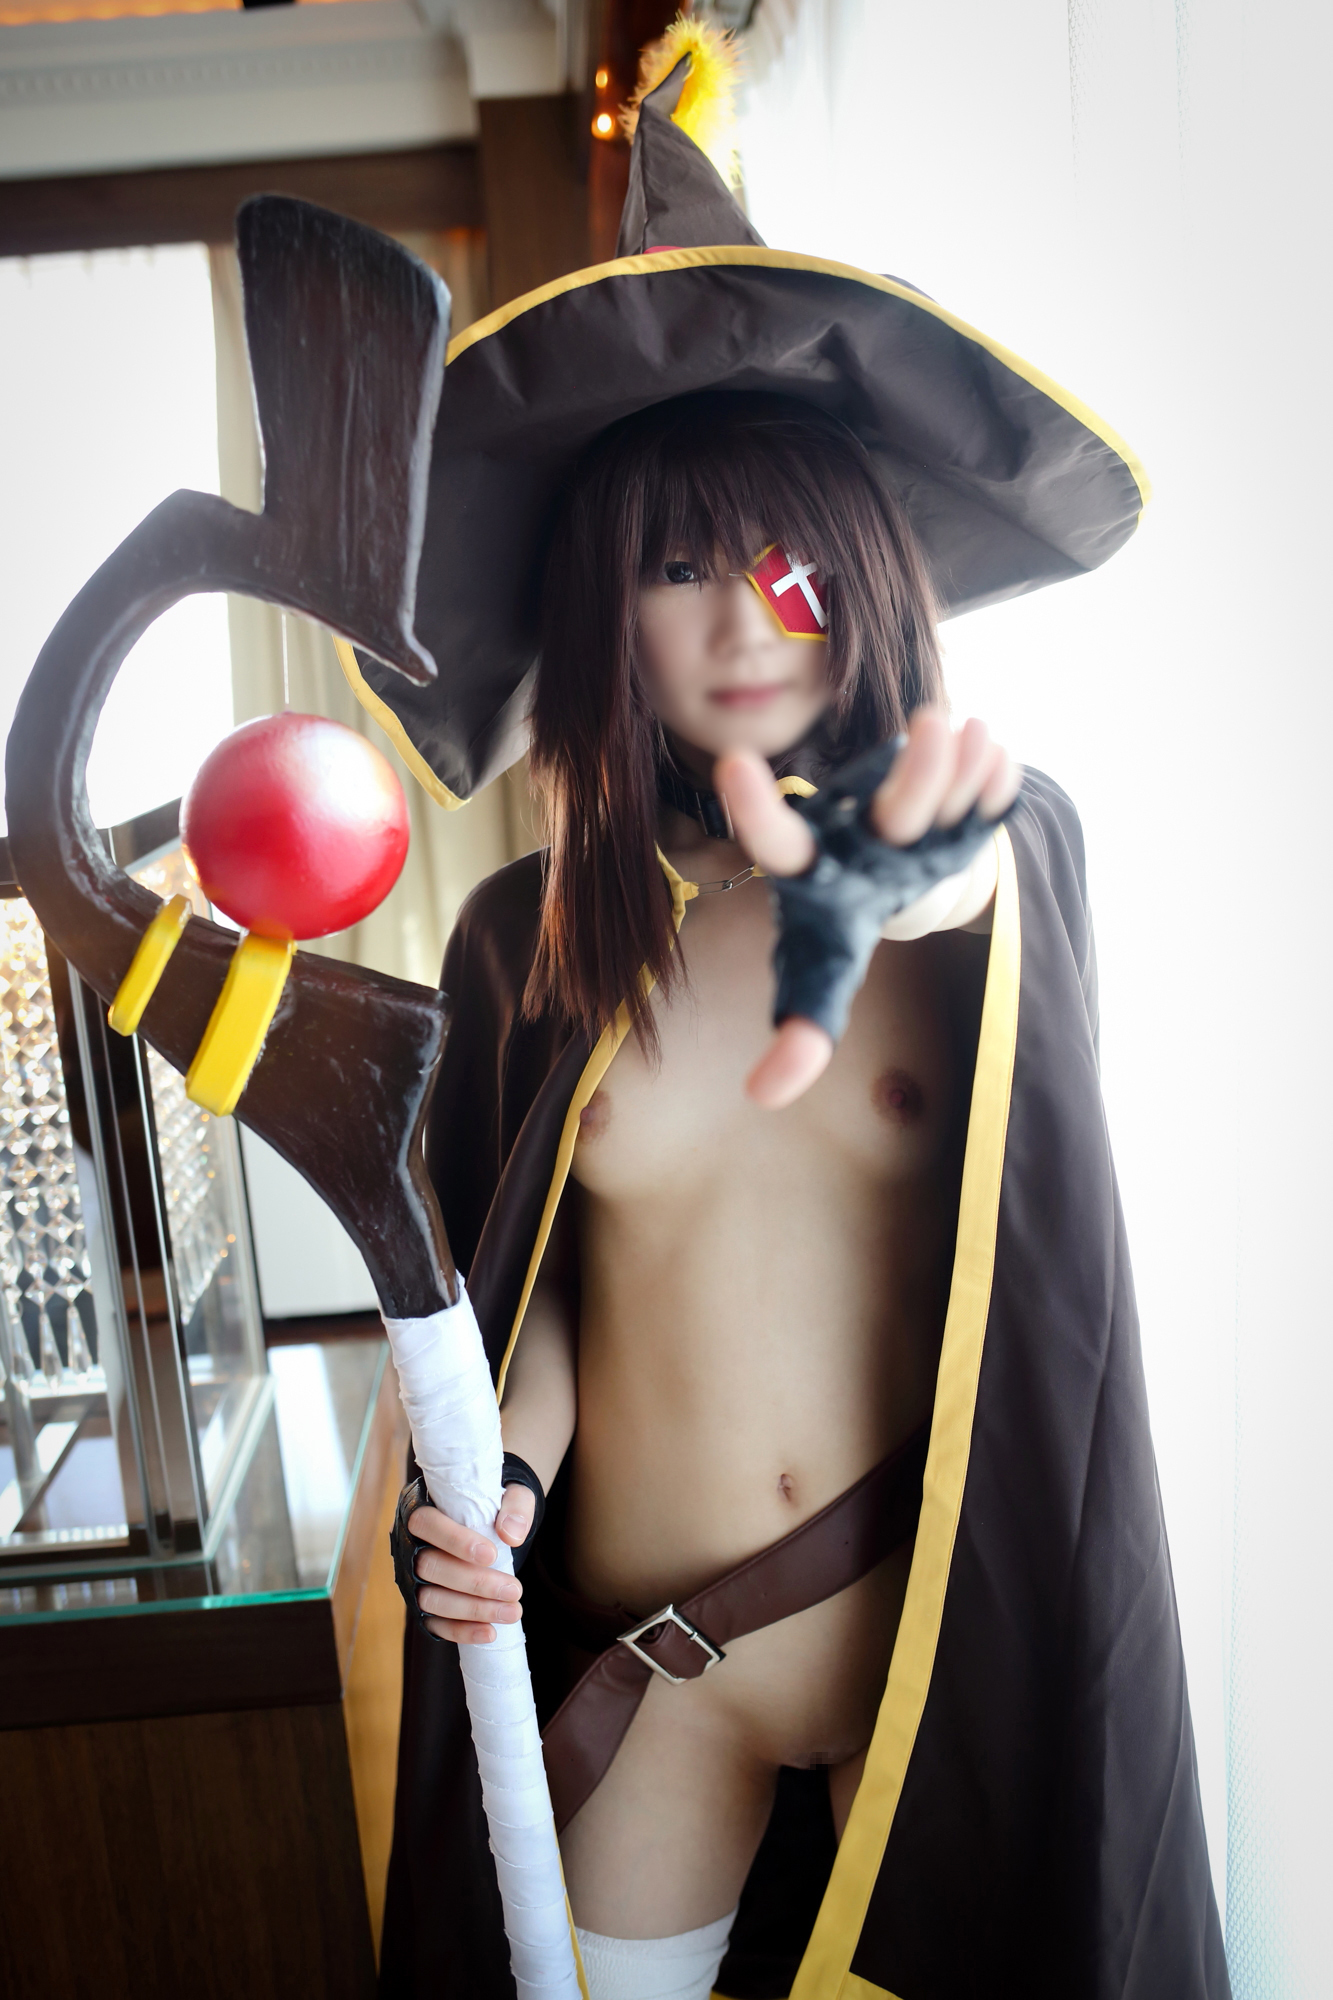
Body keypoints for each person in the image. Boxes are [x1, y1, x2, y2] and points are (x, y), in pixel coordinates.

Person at [367, 26, 1228, 2000]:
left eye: (781, 561)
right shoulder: (523, 942)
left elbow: (971, 893)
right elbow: (544, 1280)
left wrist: (906, 869)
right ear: (603, 610)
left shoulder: (995, 865)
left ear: (862, 575)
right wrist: (498, 1483)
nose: (743, 618)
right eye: (676, 565)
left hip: (936, 1661)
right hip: (657, 1667)